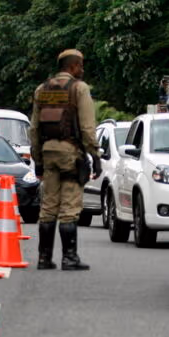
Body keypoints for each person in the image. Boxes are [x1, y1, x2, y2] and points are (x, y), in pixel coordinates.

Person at [29, 49, 100, 271]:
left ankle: (44, 258)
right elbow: (87, 127)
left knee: (48, 206)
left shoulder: (41, 89)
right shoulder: (79, 88)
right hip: (70, 153)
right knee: (70, 206)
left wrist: (37, 158)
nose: (83, 69)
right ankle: (69, 258)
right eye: (81, 65)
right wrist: (95, 154)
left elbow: (34, 128)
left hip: (48, 152)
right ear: (72, 66)